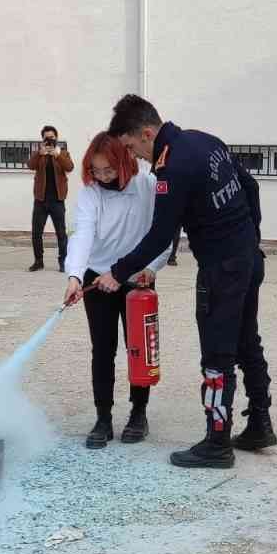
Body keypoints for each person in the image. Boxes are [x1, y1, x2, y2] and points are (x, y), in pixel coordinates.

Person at [102, 95, 272, 468]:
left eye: (133, 147)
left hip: (221, 269)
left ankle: (217, 443)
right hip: (247, 258)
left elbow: (161, 237)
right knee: (247, 342)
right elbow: (251, 187)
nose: (138, 157)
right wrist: (250, 239)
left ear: (147, 133)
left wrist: (116, 273)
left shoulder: (172, 167)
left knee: (217, 355)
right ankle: (260, 423)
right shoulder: (205, 140)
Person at [62, 133, 173, 448]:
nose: (102, 177)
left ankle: (139, 413)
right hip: (98, 277)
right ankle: (103, 417)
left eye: (108, 170)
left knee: (138, 348)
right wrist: (74, 275)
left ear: (124, 162)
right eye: (96, 171)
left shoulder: (147, 186)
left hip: (138, 277)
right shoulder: (91, 194)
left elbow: (163, 231)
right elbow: (82, 234)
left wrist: (152, 269)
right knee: (102, 348)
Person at [26, 125, 72, 272]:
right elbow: (30, 166)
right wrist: (40, 154)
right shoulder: (39, 154)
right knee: (36, 232)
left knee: (61, 233)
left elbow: (70, 167)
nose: (50, 140)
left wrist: (57, 154)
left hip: (58, 200)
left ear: (56, 138)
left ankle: (63, 261)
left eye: (52, 137)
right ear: (43, 139)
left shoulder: (62, 153)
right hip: (40, 199)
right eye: (47, 137)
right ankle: (38, 261)